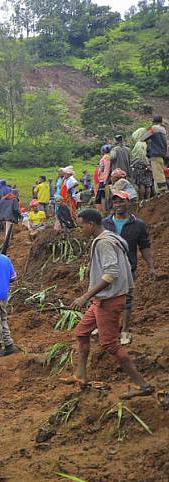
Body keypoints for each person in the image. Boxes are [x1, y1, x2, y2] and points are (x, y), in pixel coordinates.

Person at [65, 209, 153, 399]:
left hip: (109, 300)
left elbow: (111, 273)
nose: (80, 230)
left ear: (91, 225)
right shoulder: (110, 237)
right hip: (102, 299)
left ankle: (143, 385)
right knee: (81, 333)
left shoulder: (104, 243)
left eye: (81, 226)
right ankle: (80, 375)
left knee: (110, 345)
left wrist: (85, 297)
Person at [102, 191, 157, 346]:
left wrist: (151, 266)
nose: (118, 205)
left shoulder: (138, 224)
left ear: (129, 202)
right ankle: (106, 326)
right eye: (115, 202)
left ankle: (125, 331)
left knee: (126, 299)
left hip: (128, 267)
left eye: (121, 202)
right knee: (106, 296)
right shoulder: (105, 223)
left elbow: (144, 246)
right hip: (107, 267)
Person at [142, 115, 166, 192]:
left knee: (158, 175)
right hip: (161, 155)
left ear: (153, 121)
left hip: (155, 155)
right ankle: (158, 192)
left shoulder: (153, 128)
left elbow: (143, 138)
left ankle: (162, 191)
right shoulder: (163, 130)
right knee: (158, 174)